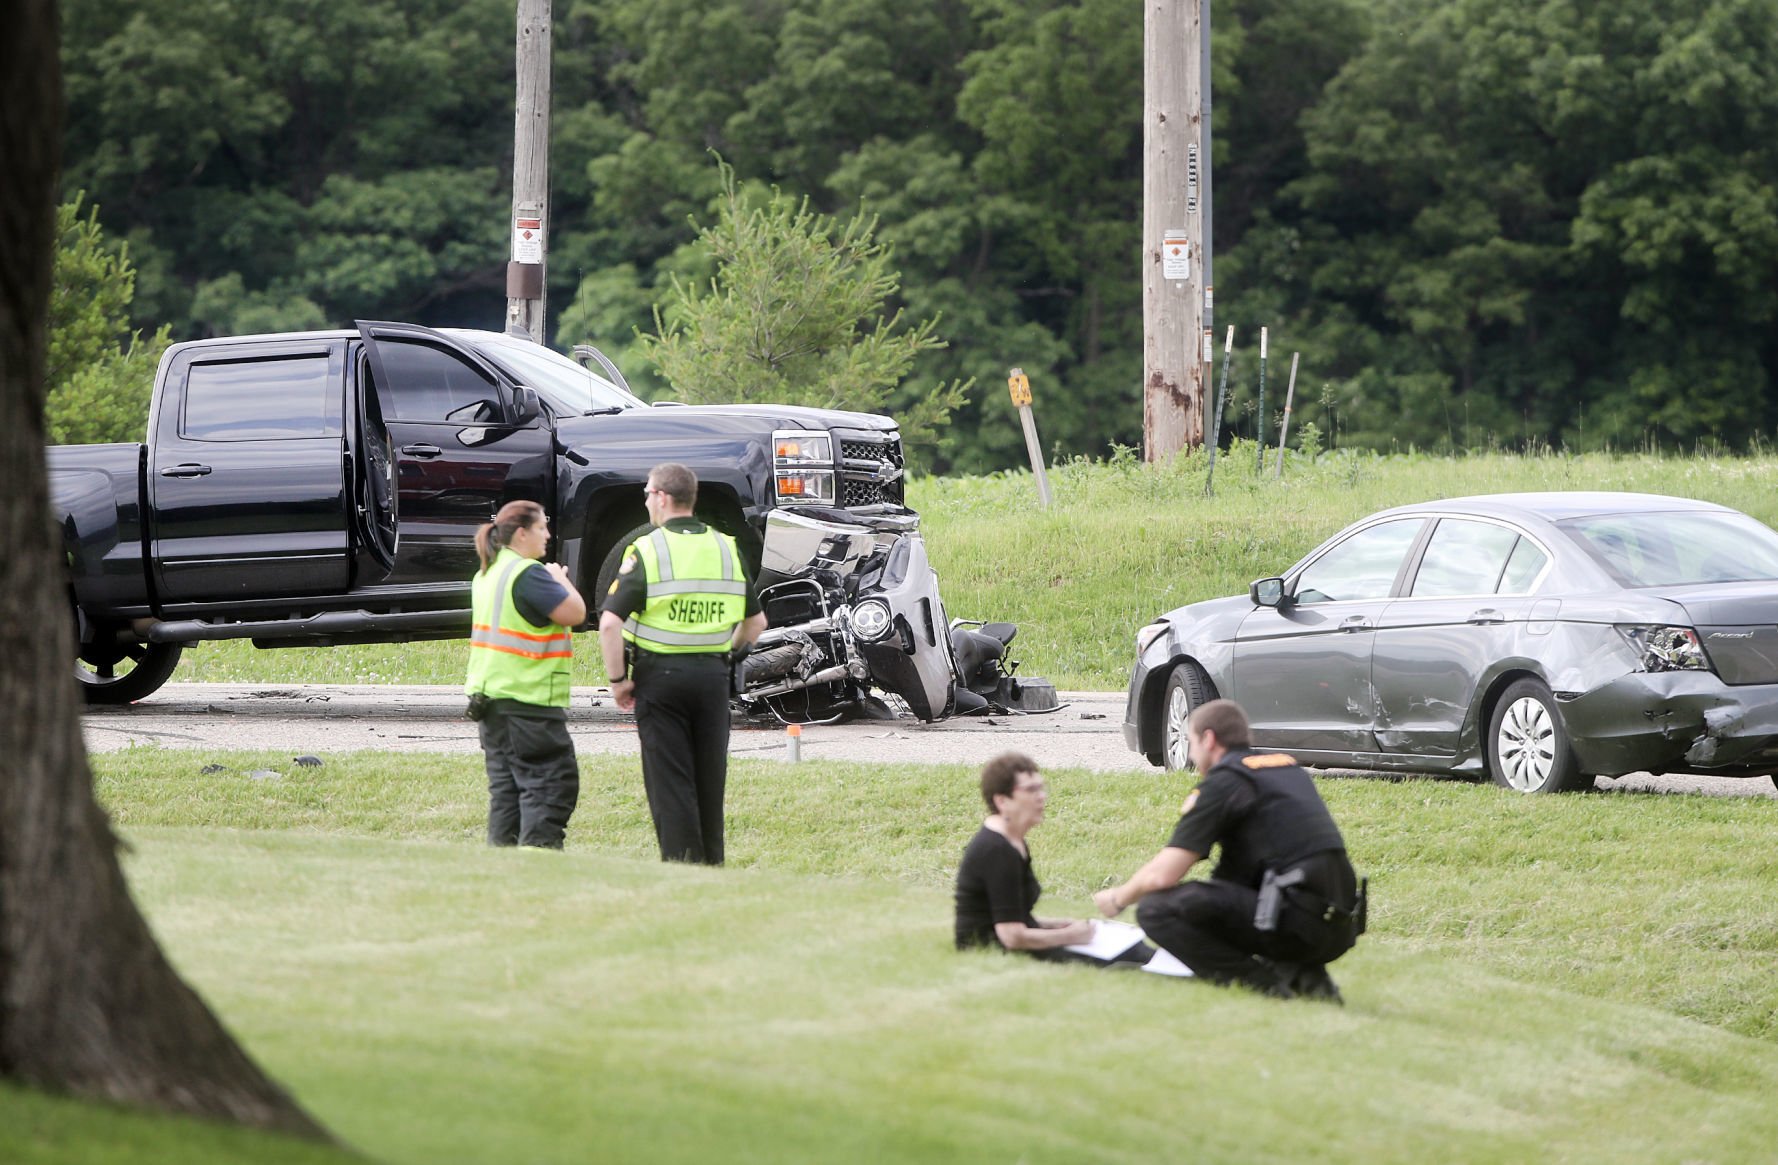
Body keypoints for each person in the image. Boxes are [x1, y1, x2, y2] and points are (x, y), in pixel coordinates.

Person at [1093, 699, 1363, 1002]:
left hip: (1299, 921)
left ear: (1208, 739)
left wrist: (1118, 898)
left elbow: (1162, 876)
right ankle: (1304, 975)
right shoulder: (1284, 769)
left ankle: (1265, 986)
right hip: (1339, 926)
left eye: (1192, 742)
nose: (1192, 754)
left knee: (1157, 910)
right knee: (1227, 882)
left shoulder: (1226, 781)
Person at [598, 463, 766, 865]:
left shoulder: (648, 549)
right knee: (710, 781)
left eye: (647, 492)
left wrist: (618, 681)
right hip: (712, 678)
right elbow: (756, 623)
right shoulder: (725, 546)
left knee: (671, 783)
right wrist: (729, 651)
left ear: (662, 497)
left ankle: (681, 868)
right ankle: (712, 867)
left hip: (661, 680)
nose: (644, 500)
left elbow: (608, 624)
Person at [465, 500, 588, 849]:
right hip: (528, 703)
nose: (548, 535)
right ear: (522, 533)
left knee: (506, 794)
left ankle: (502, 867)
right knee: (550, 787)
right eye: (541, 528)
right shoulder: (528, 573)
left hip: (491, 701)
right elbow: (575, 613)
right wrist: (560, 580)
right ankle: (538, 864)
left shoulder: (489, 571)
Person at [956, 752, 1153, 965]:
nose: (1041, 796)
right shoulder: (996, 849)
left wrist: (1061, 925)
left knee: (1133, 949)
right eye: (1031, 790)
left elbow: (1014, 916)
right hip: (991, 949)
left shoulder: (1012, 840)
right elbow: (1011, 936)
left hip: (1008, 942)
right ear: (1002, 801)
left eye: (1041, 788)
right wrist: (1072, 936)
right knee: (1125, 956)